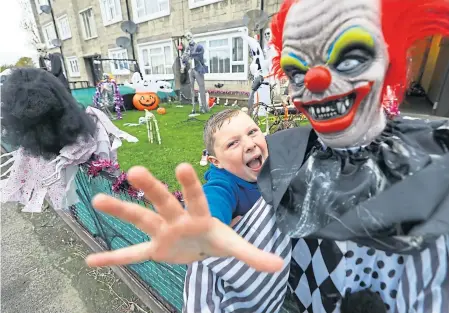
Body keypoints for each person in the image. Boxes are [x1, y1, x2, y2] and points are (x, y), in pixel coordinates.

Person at [86, 0, 449, 313]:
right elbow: (218, 208)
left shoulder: (427, 167)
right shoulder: (288, 154)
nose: (317, 80)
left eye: (350, 57)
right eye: (296, 69)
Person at [201, 109, 268, 225]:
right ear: (216, 162)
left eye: (252, 132)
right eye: (232, 143)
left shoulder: (278, 153)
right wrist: (207, 228)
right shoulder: (224, 182)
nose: (250, 145)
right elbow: (212, 201)